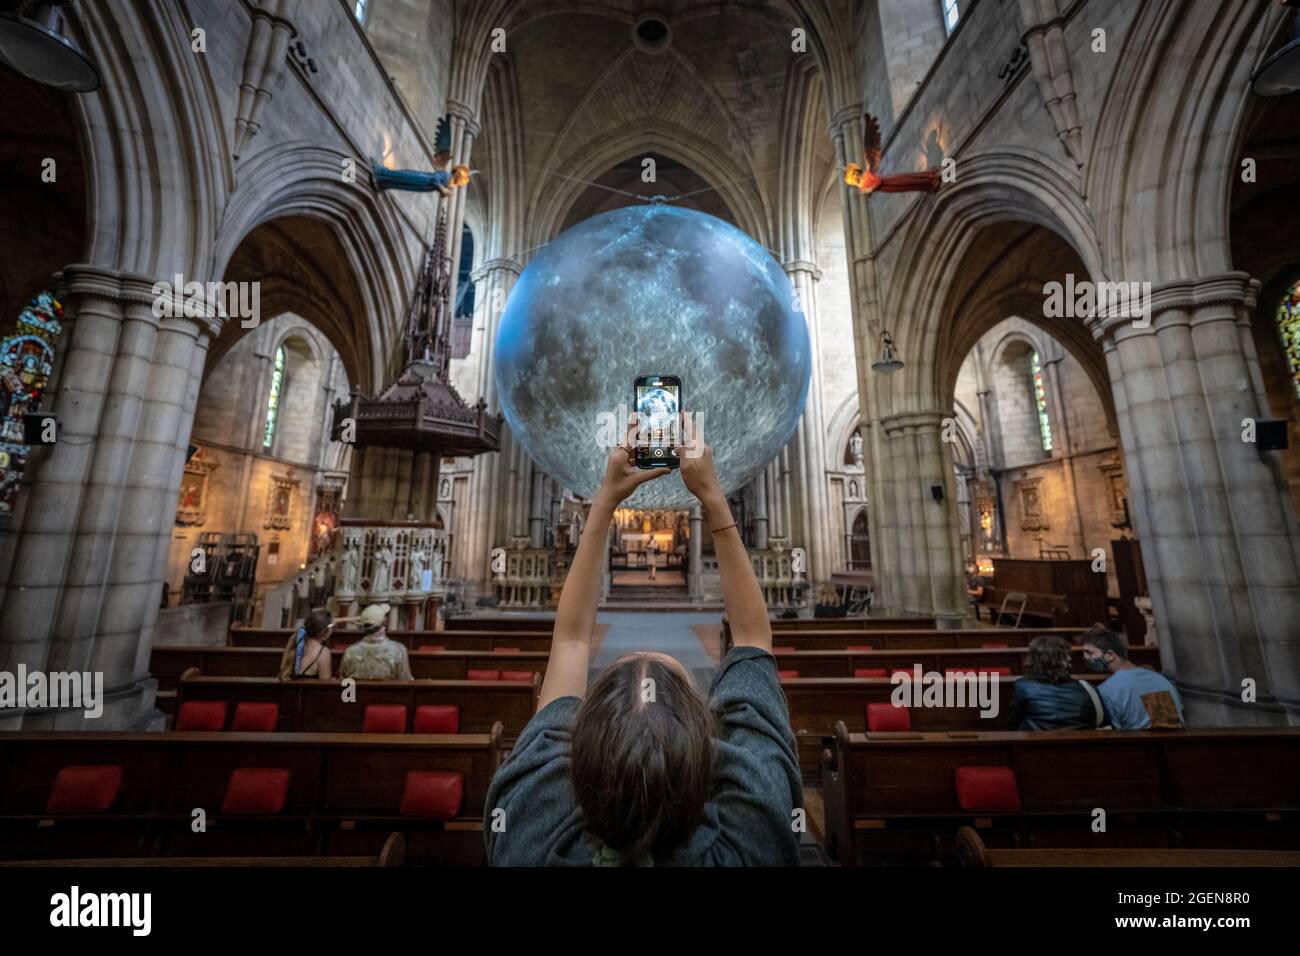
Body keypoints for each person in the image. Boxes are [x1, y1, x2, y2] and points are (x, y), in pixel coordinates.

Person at [485, 413, 803, 866]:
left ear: (580, 763)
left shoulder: (527, 843)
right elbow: (753, 635)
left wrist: (605, 499)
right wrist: (713, 495)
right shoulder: (757, 846)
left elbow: (571, 640)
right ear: (706, 765)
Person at [1081, 625, 1184, 729]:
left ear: (1110, 655)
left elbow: (1111, 732)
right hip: (1174, 742)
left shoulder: (1106, 690)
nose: (1085, 657)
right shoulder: (1158, 679)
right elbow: (1165, 723)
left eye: (1089, 652)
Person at [1007, 635, 1103, 730]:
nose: (1070, 659)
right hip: (1081, 744)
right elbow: (1098, 720)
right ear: (1065, 662)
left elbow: (1013, 724)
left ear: (1034, 660)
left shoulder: (1023, 686)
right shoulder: (1086, 687)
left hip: (1037, 744)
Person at [339, 603, 413, 681]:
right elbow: (405, 681)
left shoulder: (350, 651)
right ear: (384, 624)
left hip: (356, 693)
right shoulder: (398, 651)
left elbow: (344, 680)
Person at [278, 607, 334, 681]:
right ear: (324, 632)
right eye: (332, 627)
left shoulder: (293, 641)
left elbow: (282, 669)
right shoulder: (323, 653)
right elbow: (324, 685)